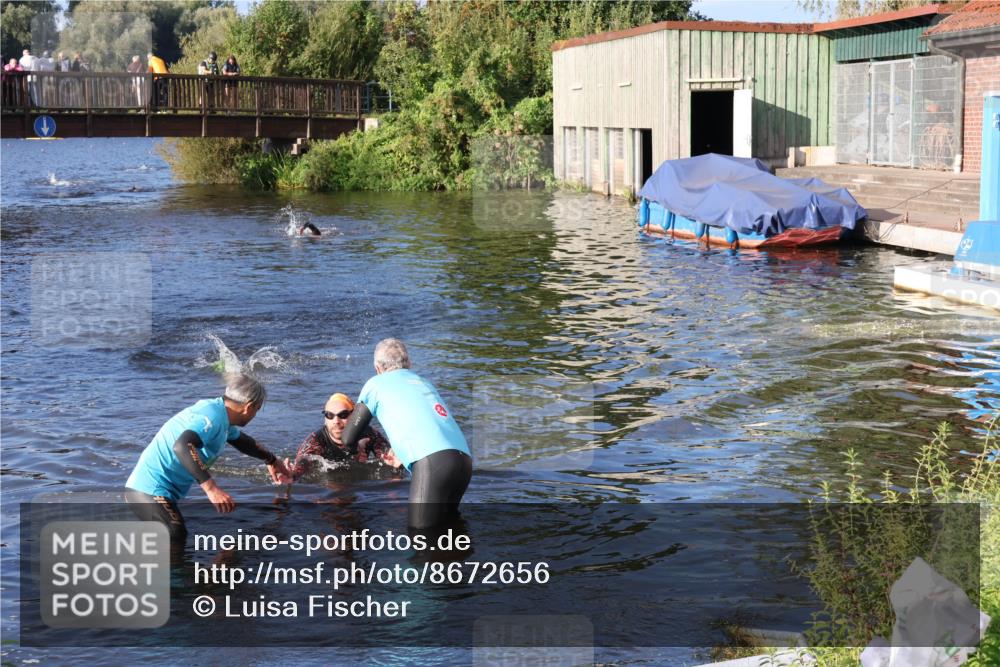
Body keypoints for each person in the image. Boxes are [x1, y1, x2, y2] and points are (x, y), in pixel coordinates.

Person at [124, 373, 292, 548]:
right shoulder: (212, 418)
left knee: (174, 536)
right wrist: (211, 489)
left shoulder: (221, 415)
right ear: (249, 407)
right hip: (147, 489)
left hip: (158, 492)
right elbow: (182, 446)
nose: (254, 415)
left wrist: (272, 460)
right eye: (257, 410)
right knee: (175, 534)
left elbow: (242, 441)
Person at [341, 339, 472, 529]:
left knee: (420, 538)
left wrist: (357, 450)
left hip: (433, 463)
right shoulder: (423, 382)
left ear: (377, 368)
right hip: (463, 461)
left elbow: (348, 437)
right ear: (409, 364)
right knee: (451, 530)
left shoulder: (375, 384)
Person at [285, 393, 400, 482]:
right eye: (329, 415)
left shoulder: (367, 433)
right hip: (329, 481)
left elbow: (385, 451)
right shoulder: (316, 441)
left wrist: (394, 460)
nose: (336, 421)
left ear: (354, 416)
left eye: (343, 415)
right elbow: (303, 461)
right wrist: (292, 475)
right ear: (325, 419)